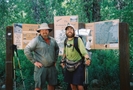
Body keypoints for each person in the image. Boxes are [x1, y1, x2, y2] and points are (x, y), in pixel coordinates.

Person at [24, 23, 59, 90]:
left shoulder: (53, 40)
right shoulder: (36, 40)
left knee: (52, 85)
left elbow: (57, 49)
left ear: (49, 31)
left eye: (46, 30)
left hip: (51, 67)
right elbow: (27, 50)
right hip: (41, 68)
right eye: (42, 30)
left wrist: (55, 60)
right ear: (39, 31)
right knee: (38, 86)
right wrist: (34, 62)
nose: (44, 31)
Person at [60, 24, 91, 90]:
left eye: (71, 29)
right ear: (66, 32)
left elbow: (83, 51)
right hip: (69, 65)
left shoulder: (78, 40)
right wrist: (62, 61)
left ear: (74, 31)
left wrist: (87, 59)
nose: (69, 31)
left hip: (78, 65)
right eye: (68, 29)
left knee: (79, 84)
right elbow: (65, 52)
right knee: (72, 84)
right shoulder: (65, 41)